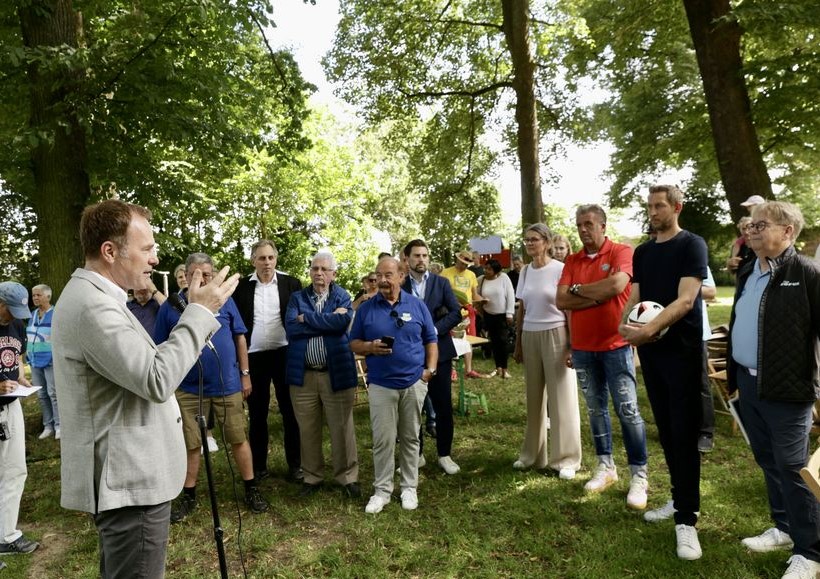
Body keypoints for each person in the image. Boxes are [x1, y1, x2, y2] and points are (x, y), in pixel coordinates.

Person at [52, 200, 238, 578]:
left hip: (130, 478)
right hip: (129, 484)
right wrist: (199, 314)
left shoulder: (101, 298)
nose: (154, 259)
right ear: (110, 251)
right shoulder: (93, 306)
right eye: (147, 248)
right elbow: (156, 378)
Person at [727, 201, 820, 579]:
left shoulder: (807, 273)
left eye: (761, 225)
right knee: (768, 461)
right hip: (749, 384)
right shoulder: (749, 269)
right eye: (751, 224)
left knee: (794, 468)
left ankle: (810, 552)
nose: (751, 229)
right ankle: (783, 528)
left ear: (788, 232)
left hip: (788, 389)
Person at [619, 184, 707, 561]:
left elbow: (686, 299)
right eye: (650, 206)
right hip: (652, 355)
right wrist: (625, 325)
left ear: (676, 207)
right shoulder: (642, 251)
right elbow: (636, 298)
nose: (653, 212)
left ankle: (687, 522)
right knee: (667, 431)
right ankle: (677, 498)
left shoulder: (692, 245)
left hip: (683, 354)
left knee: (685, 433)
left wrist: (649, 331)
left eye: (659, 206)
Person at [153, 253, 268, 523]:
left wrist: (245, 375)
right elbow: (159, 346)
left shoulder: (224, 301)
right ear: (187, 274)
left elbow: (240, 338)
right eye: (196, 274)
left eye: (207, 273)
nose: (203, 279)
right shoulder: (170, 307)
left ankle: (251, 488)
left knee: (238, 437)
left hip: (228, 384)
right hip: (188, 387)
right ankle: (188, 494)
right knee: (192, 442)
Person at [556, 204, 649, 510]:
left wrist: (579, 291)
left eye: (589, 224)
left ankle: (639, 475)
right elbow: (560, 299)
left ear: (602, 226)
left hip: (616, 346)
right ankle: (606, 467)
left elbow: (618, 285)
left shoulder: (621, 252)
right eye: (579, 224)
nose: (583, 230)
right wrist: (597, 295)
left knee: (628, 410)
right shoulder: (572, 259)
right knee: (596, 411)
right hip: (583, 348)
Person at [350, 257, 438, 513]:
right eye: (379, 275)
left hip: (413, 382)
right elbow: (353, 343)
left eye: (388, 275)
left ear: (401, 275)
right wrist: (369, 347)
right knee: (383, 440)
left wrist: (429, 371)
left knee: (411, 437)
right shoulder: (366, 309)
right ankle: (382, 490)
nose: (383, 280)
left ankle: (409, 488)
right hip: (380, 384)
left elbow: (431, 340)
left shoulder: (417, 305)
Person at [285, 252, 360, 498]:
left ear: (333, 274)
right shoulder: (297, 297)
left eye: (324, 269)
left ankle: (348, 478)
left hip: (335, 373)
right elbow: (291, 328)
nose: (318, 273)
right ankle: (312, 477)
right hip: (303, 376)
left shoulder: (342, 296)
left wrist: (307, 318)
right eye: (315, 268)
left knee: (342, 428)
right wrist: (327, 320)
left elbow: (341, 325)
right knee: (307, 429)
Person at [512, 223, 582, 479]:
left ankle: (567, 459)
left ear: (547, 242)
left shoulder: (561, 269)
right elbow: (523, 308)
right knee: (534, 398)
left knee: (561, 397)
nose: (529, 244)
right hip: (530, 335)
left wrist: (572, 344)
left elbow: (570, 309)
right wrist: (518, 342)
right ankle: (533, 455)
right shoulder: (526, 271)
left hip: (557, 334)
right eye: (526, 240)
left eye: (534, 239)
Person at [234, 240, 303, 482]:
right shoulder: (241, 287)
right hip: (254, 357)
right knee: (258, 412)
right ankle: (259, 466)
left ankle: (296, 465)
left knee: (290, 411)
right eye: (261, 258)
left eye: (270, 258)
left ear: (276, 259)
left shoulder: (291, 284)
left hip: (284, 354)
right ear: (253, 260)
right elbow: (237, 326)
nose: (267, 263)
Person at [402, 239, 463, 475]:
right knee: (411, 407)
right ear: (407, 259)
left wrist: (434, 329)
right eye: (417, 256)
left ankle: (444, 454)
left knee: (443, 405)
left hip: (441, 351)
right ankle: (416, 456)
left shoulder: (441, 283)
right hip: (410, 353)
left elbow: (457, 312)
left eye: (425, 256)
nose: (421, 260)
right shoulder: (401, 284)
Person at [0, 282, 39, 557]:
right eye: (10, 310)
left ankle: (6, 535)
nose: (14, 316)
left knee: (14, 470)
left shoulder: (17, 326)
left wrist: (21, 378)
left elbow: (16, 358)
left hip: (11, 406)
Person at [441, 250, 484, 378]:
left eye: (467, 263)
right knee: (451, 337)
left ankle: (468, 369)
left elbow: (474, 293)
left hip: (467, 308)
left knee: (468, 338)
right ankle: (452, 369)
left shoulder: (471, 275)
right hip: (451, 309)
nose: (465, 265)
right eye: (463, 262)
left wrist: (482, 301)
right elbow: (441, 292)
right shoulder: (445, 273)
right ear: (457, 260)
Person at [26, 284, 60, 440]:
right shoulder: (32, 314)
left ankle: (59, 426)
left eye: (38, 295)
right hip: (34, 360)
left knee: (53, 394)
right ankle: (48, 426)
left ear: (48, 296)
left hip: (50, 360)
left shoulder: (56, 314)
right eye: (33, 295)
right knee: (41, 394)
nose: (35, 298)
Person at [477, 259, 515, 379]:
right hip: (488, 314)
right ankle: (497, 366)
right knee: (494, 341)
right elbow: (476, 294)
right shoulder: (481, 279)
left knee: (503, 341)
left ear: (496, 270)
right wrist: (480, 302)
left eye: (489, 269)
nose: (486, 271)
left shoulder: (503, 278)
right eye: (485, 268)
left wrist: (510, 313)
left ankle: (505, 368)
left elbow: (510, 295)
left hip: (502, 315)